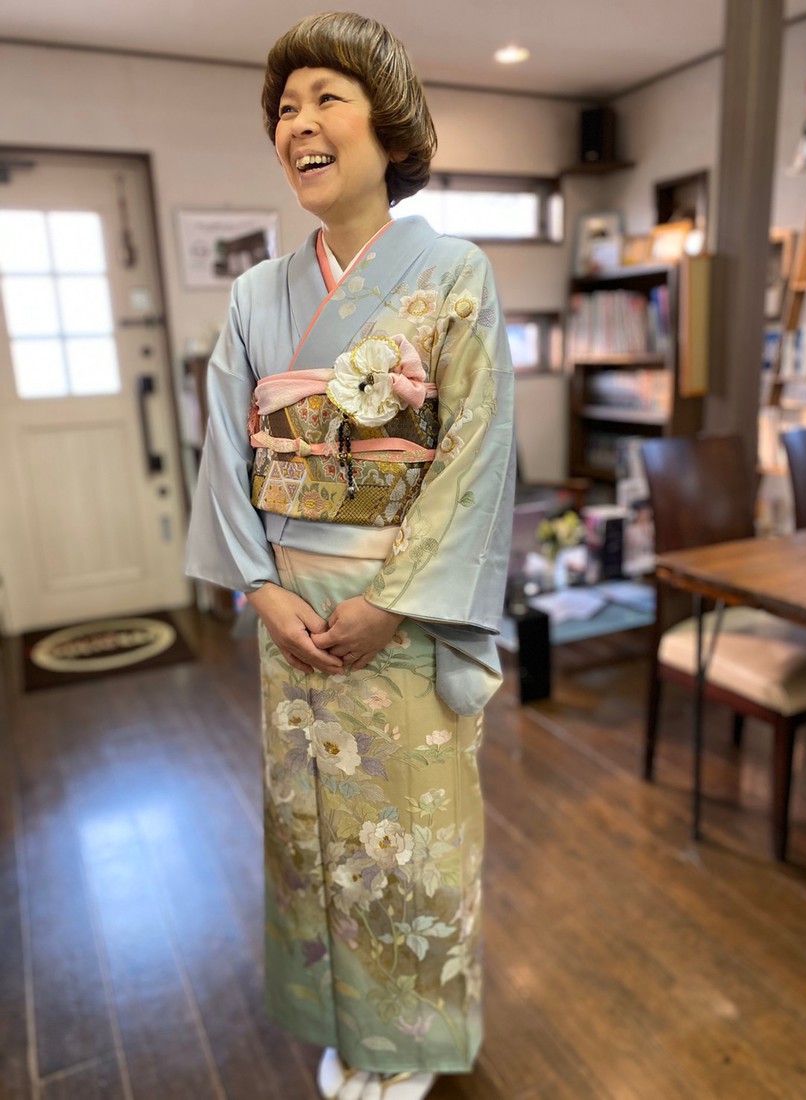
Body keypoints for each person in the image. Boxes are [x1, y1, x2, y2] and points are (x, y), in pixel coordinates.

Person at [185, 12, 515, 1100]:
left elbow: (474, 454)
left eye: (326, 97)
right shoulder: (255, 294)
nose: (299, 124)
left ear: (389, 126)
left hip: (398, 613)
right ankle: (347, 1024)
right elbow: (225, 450)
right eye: (285, 109)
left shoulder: (454, 273)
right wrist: (260, 586)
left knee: (410, 834)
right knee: (312, 835)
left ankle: (409, 1037)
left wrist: (397, 601)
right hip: (292, 612)